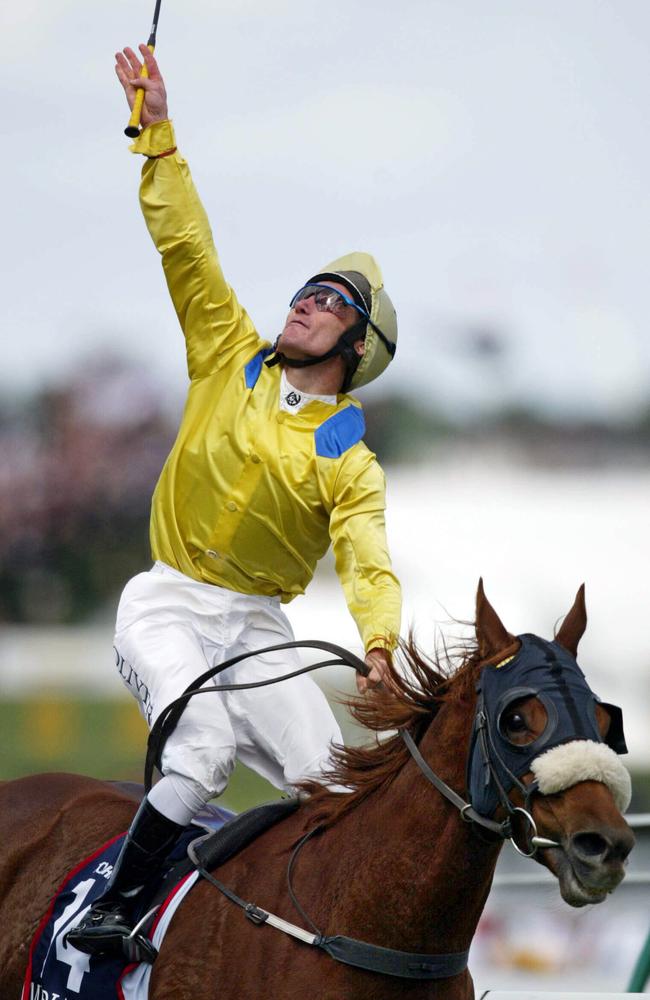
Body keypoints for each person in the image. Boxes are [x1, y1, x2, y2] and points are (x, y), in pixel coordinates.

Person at [67, 44, 401, 962]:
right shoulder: (230, 352)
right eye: (306, 288)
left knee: (334, 789)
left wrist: (377, 645)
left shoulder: (346, 451)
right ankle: (112, 914)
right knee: (204, 748)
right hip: (168, 599)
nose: (303, 302)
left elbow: (366, 554)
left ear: (357, 346)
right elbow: (186, 243)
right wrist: (156, 134)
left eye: (329, 301)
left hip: (260, 627)